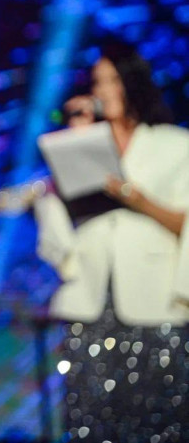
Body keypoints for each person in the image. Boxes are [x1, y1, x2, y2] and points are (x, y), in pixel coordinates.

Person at [34, 42, 189, 442]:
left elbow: (184, 219)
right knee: (90, 420)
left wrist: (135, 198)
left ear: (132, 82)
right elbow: (55, 218)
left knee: (159, 421)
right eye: (97, 82)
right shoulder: (80, 142)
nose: (103, 90)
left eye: (113, 80)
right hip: (89, 301)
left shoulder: (175, 144)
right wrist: (76, 139)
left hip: (156, 303)